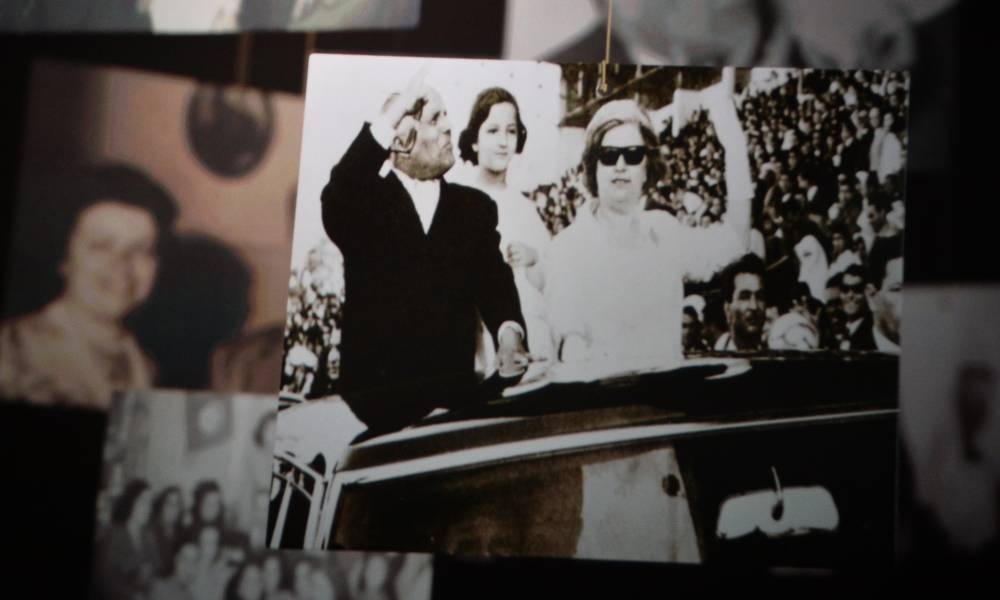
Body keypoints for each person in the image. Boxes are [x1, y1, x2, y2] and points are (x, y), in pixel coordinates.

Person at [319, 71, 528, 432]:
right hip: (373, 414)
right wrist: (389, 118)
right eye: (435, 119)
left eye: (446, 116)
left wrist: (510, 334)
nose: (449, 127)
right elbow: (338, 193)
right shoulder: (363, 204)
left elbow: (496, 285)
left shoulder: (474, 209)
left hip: (452, 410)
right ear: (400, 139)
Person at [546, 78, 752, 378]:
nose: (620, 165)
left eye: (633, 155)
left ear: (647, 168)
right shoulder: (565, 248)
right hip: (603, 402)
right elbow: (571, 344)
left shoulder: (666, 232)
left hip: (665, 401)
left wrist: (735, 147)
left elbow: (736, 239)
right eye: (608, 155)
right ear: (593, 167)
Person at [0, 165, 177, 409]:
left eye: (141, 250)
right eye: (102, 246)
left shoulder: (148, 368)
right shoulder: (12, 350)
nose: (122, 266)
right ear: (65, 257)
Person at [458, 86, 554, 377]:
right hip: (480, 341)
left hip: (530, 336)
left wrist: (534, 258)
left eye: (511, 131)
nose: (503, 142)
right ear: (474, 141)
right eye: (492, 131)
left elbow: (552, 280)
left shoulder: (525, 208)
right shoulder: (460, 201)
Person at [94, 479, 158, 600]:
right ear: (131, 502)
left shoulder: (149, 535)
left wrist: (148, 576)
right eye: (143, 501)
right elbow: (105, 578)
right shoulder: (114, 534)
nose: (148, 507)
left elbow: (155, 567)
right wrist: (132, 595)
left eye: (150, 502)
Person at [714, 254, 767, 352]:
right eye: (744, 297)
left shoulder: (778, 355)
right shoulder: (714, 358)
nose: (754, 306)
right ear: (727, 308)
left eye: (759, 297)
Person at [148, 486, 185, 577]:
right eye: (169, 503)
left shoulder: (181, 532)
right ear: (161, 505)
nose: (173, 508)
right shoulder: (151, 531)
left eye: (177, 504)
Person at [838, 265, 877, 350]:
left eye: (857, 289)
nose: (850, 295)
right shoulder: (838, 328)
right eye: (845, 289)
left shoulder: (874, 331)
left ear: (866, 292)